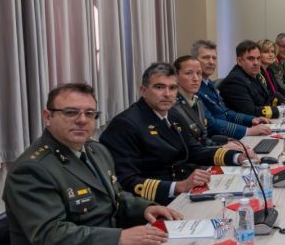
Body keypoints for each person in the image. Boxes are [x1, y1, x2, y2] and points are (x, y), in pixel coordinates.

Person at [3, 83, 182, 245]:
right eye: (70, 112)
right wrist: (119, 237)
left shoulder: (95, 151)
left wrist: (146, 208)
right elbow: (50, 235)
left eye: (89, 113)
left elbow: (116, 197)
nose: (82, 120)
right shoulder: (32, 170)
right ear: (47, 117)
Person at [100, 63, 247, 205]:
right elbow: (126, 181)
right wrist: (179, 186)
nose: (167, 94)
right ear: (143, 90)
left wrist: (236, 157)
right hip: (155, 203)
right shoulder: (125, 125)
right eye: (159, 87)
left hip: (185, 191)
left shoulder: (172, 115)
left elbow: (195, 150)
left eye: (172, 88)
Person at [191, 39, 272, 139]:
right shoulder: (194, 89)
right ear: (194, 61)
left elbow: (226, 112)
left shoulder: (209, 84)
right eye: (206, 57)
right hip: (216, 139)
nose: (211, 62)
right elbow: (211, 123)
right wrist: (247, 131)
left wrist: (252, 119)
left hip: (226, 135)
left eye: (214, 58)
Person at [220, 40, 285, 119]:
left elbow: (266, 100)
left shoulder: (254, 75)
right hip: (243, 125)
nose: (256, 63)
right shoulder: (235, 81)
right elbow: (250, 112)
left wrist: (284, 103)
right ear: (239, 61)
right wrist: (281, 109)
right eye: (251, 59)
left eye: (258, 58)